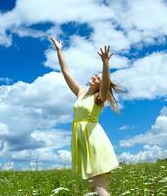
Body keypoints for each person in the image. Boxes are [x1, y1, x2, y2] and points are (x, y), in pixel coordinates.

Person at [49, 36, 122, 196]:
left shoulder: (99, 97)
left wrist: (105, 64)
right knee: (94, 186)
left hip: (94, 141)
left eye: (98, 78)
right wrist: (59, 51)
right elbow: (66, 72)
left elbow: (105, 84)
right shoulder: (81, 93)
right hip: (82, 141)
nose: (95, 77)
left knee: (98, 186)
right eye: (96, 75)